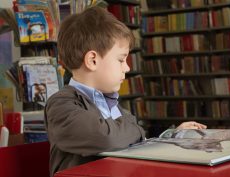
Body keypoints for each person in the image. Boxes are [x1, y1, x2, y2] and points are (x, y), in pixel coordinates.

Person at [44, 6, 206, 177]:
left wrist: (170, 137)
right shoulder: (61, 104)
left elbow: (132, 141)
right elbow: (106, 138)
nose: (127, 68)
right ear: (92, 60)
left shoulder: (110, 101)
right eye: (121, 60)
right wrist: (135, 130)